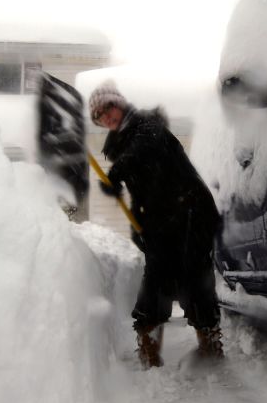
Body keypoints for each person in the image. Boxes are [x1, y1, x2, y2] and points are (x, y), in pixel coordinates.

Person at [89, 81, 223, 368]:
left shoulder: (147, 126)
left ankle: (209, 345)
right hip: (163, 219)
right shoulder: (122, 143)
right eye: (99, 116)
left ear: (119, 103)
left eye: (107, 108)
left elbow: (145, 151)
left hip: (191, 211)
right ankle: (150, 348)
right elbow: (144, 192)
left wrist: (118, 171)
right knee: (156, 279)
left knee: (194, 276)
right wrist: (140, 227)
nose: (106, 117)